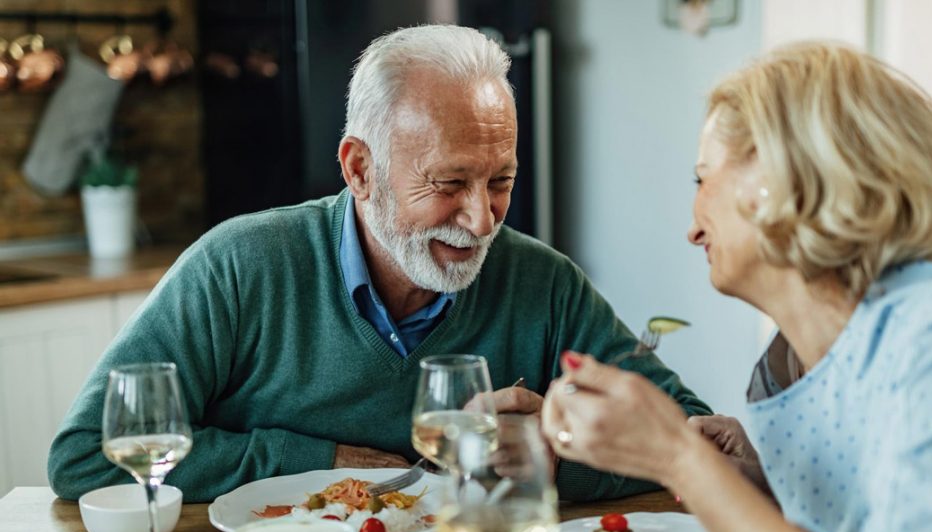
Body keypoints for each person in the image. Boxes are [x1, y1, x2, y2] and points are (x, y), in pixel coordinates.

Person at [47, 25, 710, 503]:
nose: (482, 221)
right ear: (360, 169)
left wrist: (551, 454)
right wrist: (314, 463)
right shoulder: (237, 268)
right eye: (448, 185)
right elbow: (86, 456)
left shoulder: (544, 282)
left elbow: (691, 439)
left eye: (500, 181)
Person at [542, 41, 932, 532]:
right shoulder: (784, 360)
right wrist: (761, 482)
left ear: (781, 180)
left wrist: (679, 459)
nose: (692, 227)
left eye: (703, 179)